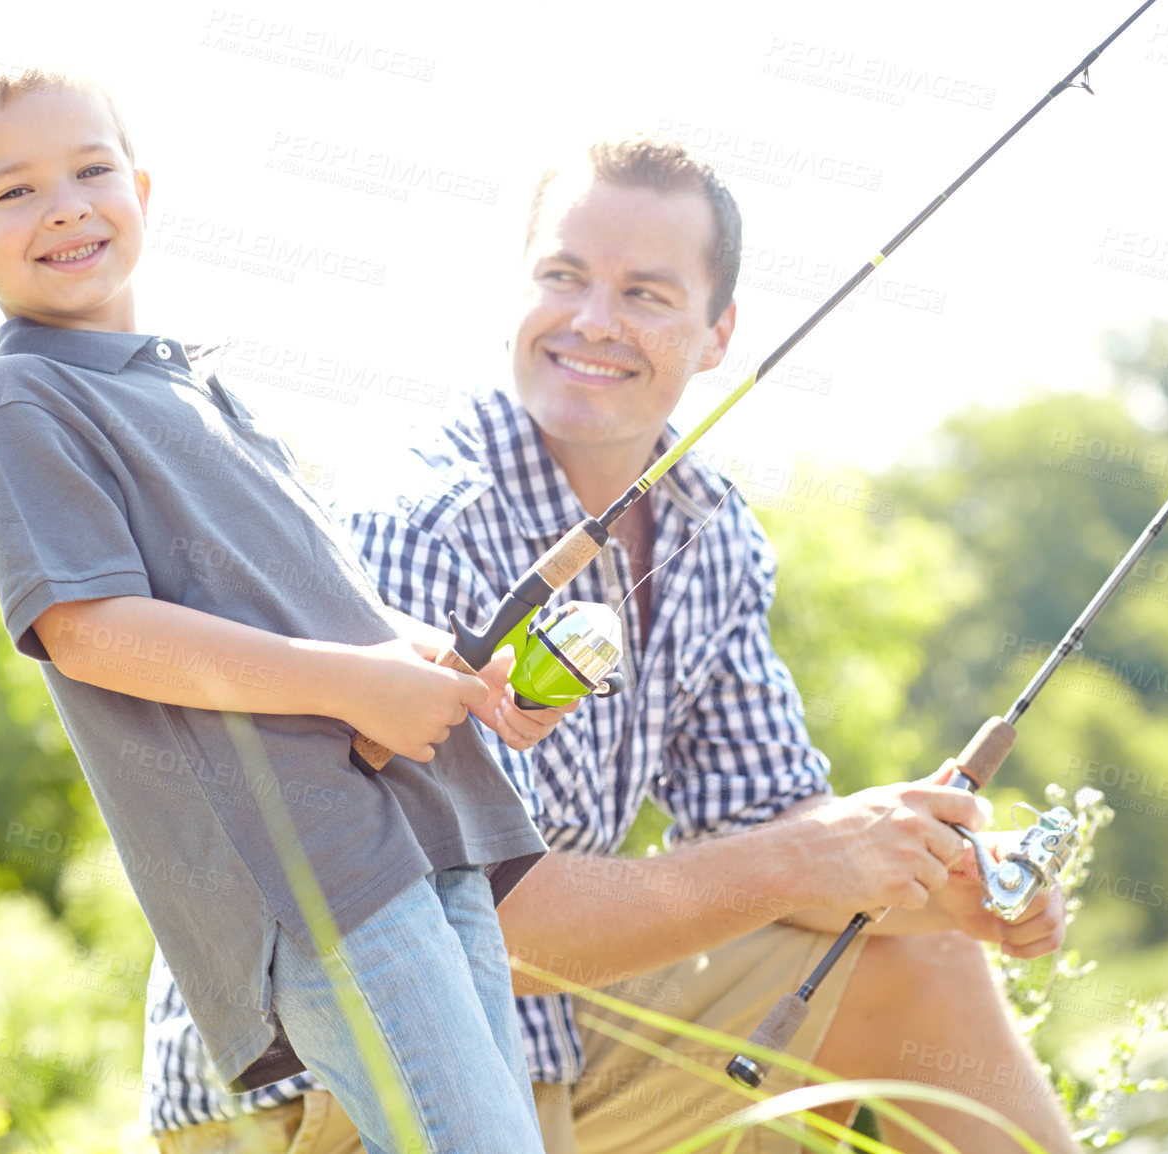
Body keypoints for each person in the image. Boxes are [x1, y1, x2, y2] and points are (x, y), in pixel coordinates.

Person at [145, 138, 1076, 1154]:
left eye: (645, 293)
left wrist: (950, 880)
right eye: (563, 277)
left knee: (919, 961)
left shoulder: (708, 532)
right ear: (519, 290)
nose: (593, 320)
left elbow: (775, 823)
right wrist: (807, 858)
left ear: (717, 334)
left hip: (536, 1037)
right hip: (332, 1085)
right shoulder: (421, 525)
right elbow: (477, 928)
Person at [0, 66, 568, 1154]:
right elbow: (91, 629)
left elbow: (316, 604)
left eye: (90, 170)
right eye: (15, 191)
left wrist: (426, 662)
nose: (68, 204)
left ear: (143, 189)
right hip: (314, 870)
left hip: (420, 825)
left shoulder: (199, 387)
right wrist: (356, 685)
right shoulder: (22, 393)